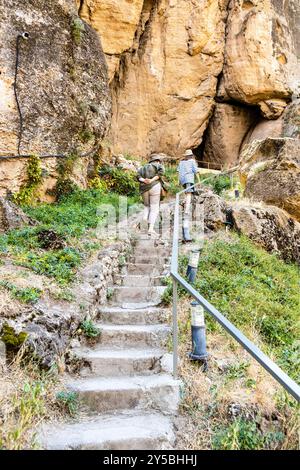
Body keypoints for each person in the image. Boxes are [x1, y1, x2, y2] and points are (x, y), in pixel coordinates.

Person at [137, 153, 165, 237]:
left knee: (146, 206)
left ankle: (144, 225)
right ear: (157, 161)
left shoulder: (142, 167)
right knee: (154, 207)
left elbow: (137, 176)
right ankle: (150, 229)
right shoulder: (158, 165)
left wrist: (144, 180)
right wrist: (151, 180)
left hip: (143, 187)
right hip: (155, 186)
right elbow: (161, 172)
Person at [178, 149, 199, 214]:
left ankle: (184, 206)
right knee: (189, 194)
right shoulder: (192, 161)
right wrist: (199, 180)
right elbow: (196, 171)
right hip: (189, 179)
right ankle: (186, 210)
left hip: (182, 180)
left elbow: (178, 171)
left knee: (186, 193)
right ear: (191, 155)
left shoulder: (181, 162)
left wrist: (178, 181)